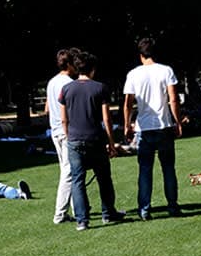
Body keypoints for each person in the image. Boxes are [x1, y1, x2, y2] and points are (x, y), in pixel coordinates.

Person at [59, 50, 125, 231]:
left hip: (74, 139)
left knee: (77, 180)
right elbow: (106, 118)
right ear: (92, 69)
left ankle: (82, 220)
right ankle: (108, 212)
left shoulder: (66, 89)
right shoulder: (100, 88)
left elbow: (63, 118)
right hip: (95, 138)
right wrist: (111, 142)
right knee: (104, 178)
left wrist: (67, 134)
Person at [122, 37, 182, 220]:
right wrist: (177, 121)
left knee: (145, 170)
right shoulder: (166, 71)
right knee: (168, 169)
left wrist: (126, 125)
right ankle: (172, 206)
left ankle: (144, 209)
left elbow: (127, 103)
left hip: (144, 127)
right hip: (164, 126)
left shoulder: (133, 74)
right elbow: (173, 98)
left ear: (141, 56)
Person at [45, 47, 79, 224]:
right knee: (69, 172)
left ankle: (77, 207)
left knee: (68, 170)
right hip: (66, 131)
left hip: (55, 130)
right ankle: (60, 213)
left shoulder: (52, 82)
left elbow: (48, 108)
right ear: (70, 64)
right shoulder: (68, 84)